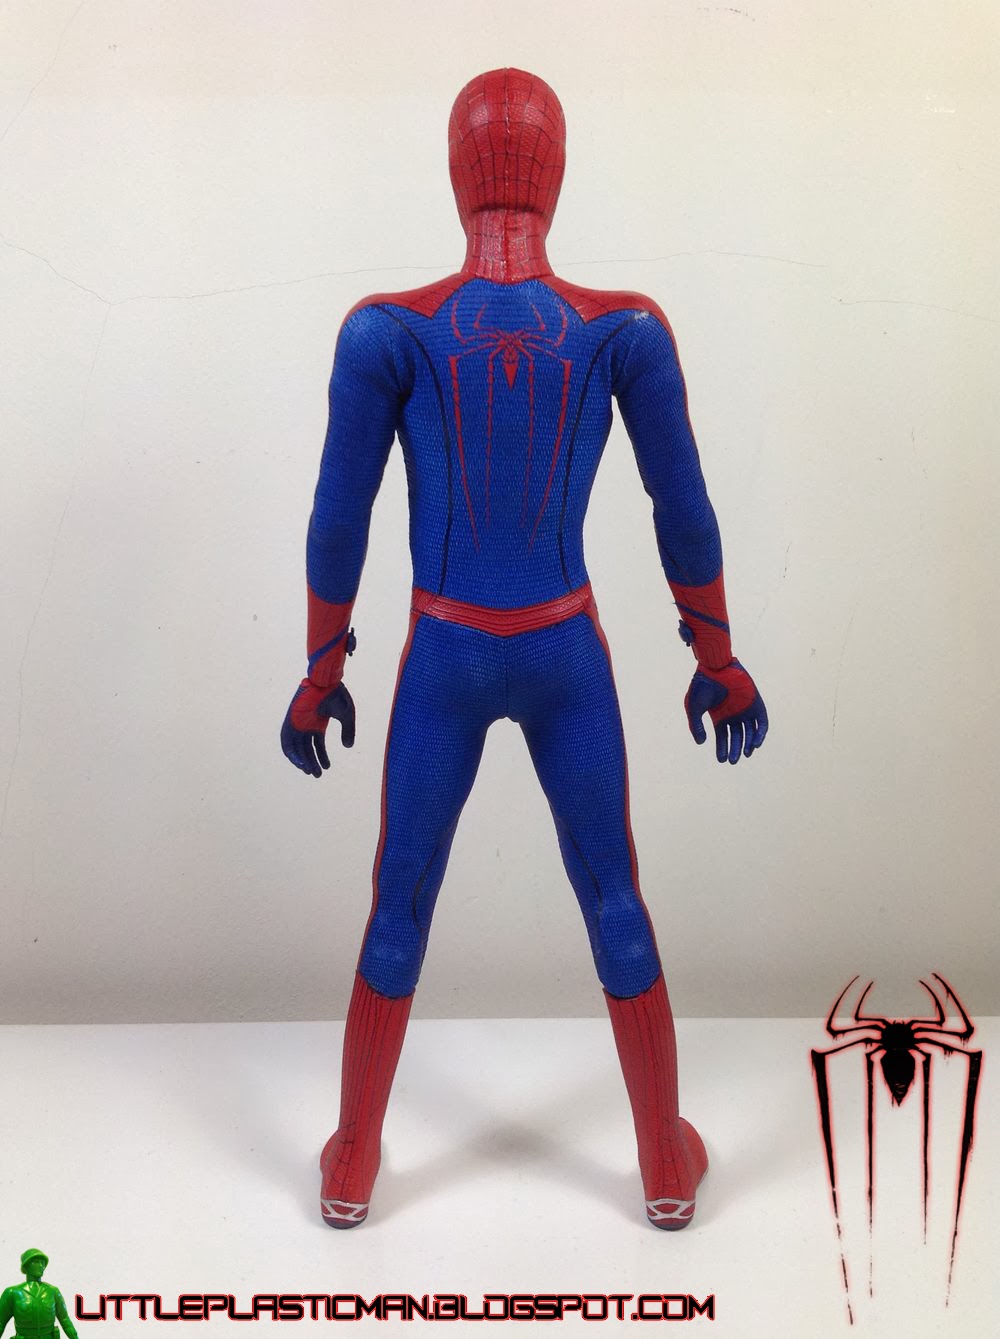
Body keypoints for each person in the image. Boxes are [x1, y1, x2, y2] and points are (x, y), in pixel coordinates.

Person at [281, 68, 767, 1230]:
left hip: (444, 651)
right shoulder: (621, 331)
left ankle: (353, 1159)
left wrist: (320, 667)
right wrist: (715, 655)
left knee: (399, 900)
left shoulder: (387, 331)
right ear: (556, 175)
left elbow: (337, 517)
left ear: (457, 173)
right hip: (563, 648)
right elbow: (682, 507)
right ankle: (662, 1160)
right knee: (613, 894)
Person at [0, 1251, 78, 1339]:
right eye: (36, 1262)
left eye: (42, 1263)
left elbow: (65, 1320)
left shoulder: (53, 1291)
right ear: (26, 1266)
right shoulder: (12, 1293)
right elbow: (1, 1323)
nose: (41, 1265)